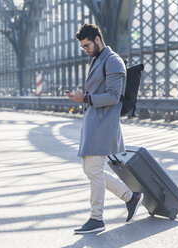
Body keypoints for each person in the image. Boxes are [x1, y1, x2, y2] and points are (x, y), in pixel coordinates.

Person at [66, 24, 144, 234]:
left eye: (87, 45)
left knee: (93, 170)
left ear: (97, 39)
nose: (85, 50)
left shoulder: (113, 61)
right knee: (91, 170)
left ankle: (97, 218)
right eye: (82, 47)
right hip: (94, 122)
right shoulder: (98, 60)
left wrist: (85, 98)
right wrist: (82, 96)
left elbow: (113, 96)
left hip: (103, 124)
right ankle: (130, 197)